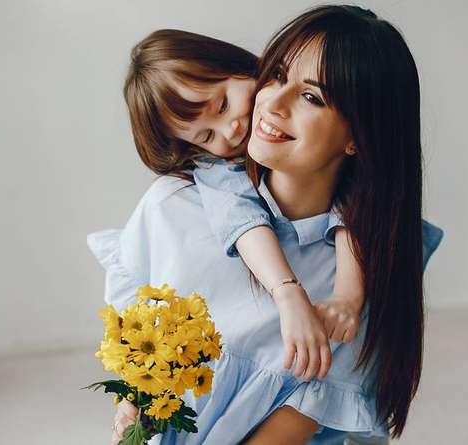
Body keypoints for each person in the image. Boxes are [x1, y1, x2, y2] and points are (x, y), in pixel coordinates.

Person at [89, 4, 444, 444]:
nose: (270, 103)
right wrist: (130, 402)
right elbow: (137, 326)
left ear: (359, 135)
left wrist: (343, 295)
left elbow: (309, 410)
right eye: (275, 75)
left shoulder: (363, 269)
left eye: (312, 96)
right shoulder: (174, 208)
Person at [123, 29, 369, 385]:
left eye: (223, 105)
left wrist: (348, 297)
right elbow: (243, 220)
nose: (231, 130)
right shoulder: (220, 168)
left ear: (239, 66)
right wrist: (287, 293)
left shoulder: (300, 122)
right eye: (206, 136)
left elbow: (355, 205)